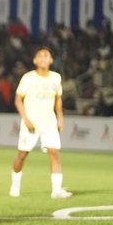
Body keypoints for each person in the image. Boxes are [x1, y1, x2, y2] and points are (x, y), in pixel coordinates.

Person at [9, 46, 72, 198]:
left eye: (46, 56)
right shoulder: (28, 77)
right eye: (40, 56)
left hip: (49, 122)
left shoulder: (56, 78)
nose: (43, 58)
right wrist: (25, 118)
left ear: (51, 60)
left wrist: (60, 118)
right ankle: (15, 185)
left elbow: (58, 100)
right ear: (35, 60)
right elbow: (18, 100)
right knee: (22, 154)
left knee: (54, 153)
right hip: (31, 122)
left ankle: (56, 190)